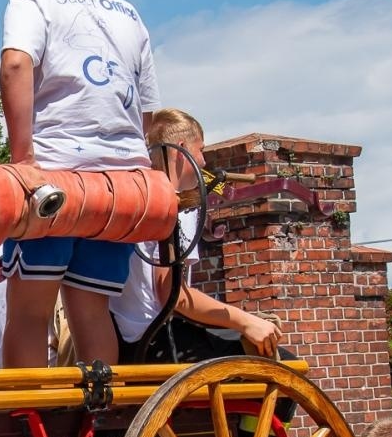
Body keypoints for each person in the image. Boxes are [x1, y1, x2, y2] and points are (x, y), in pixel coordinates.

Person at [0, 0, 162, 369]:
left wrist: (23, 160)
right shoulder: (129, 13)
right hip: (120, 188)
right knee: (92, 313)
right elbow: (148, 110)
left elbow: (15, 63)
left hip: (55, 176)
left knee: (30, 315)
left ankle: (28, 414)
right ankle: (100, 415)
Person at [110, 109, 282, 363]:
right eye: (200, 150)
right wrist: (247, 322)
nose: (203, 162)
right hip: (159, 341)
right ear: (181, 150)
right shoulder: (179, 206)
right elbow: (173, 295)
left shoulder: (136, 198)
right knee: (282, 362)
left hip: (125, 341)